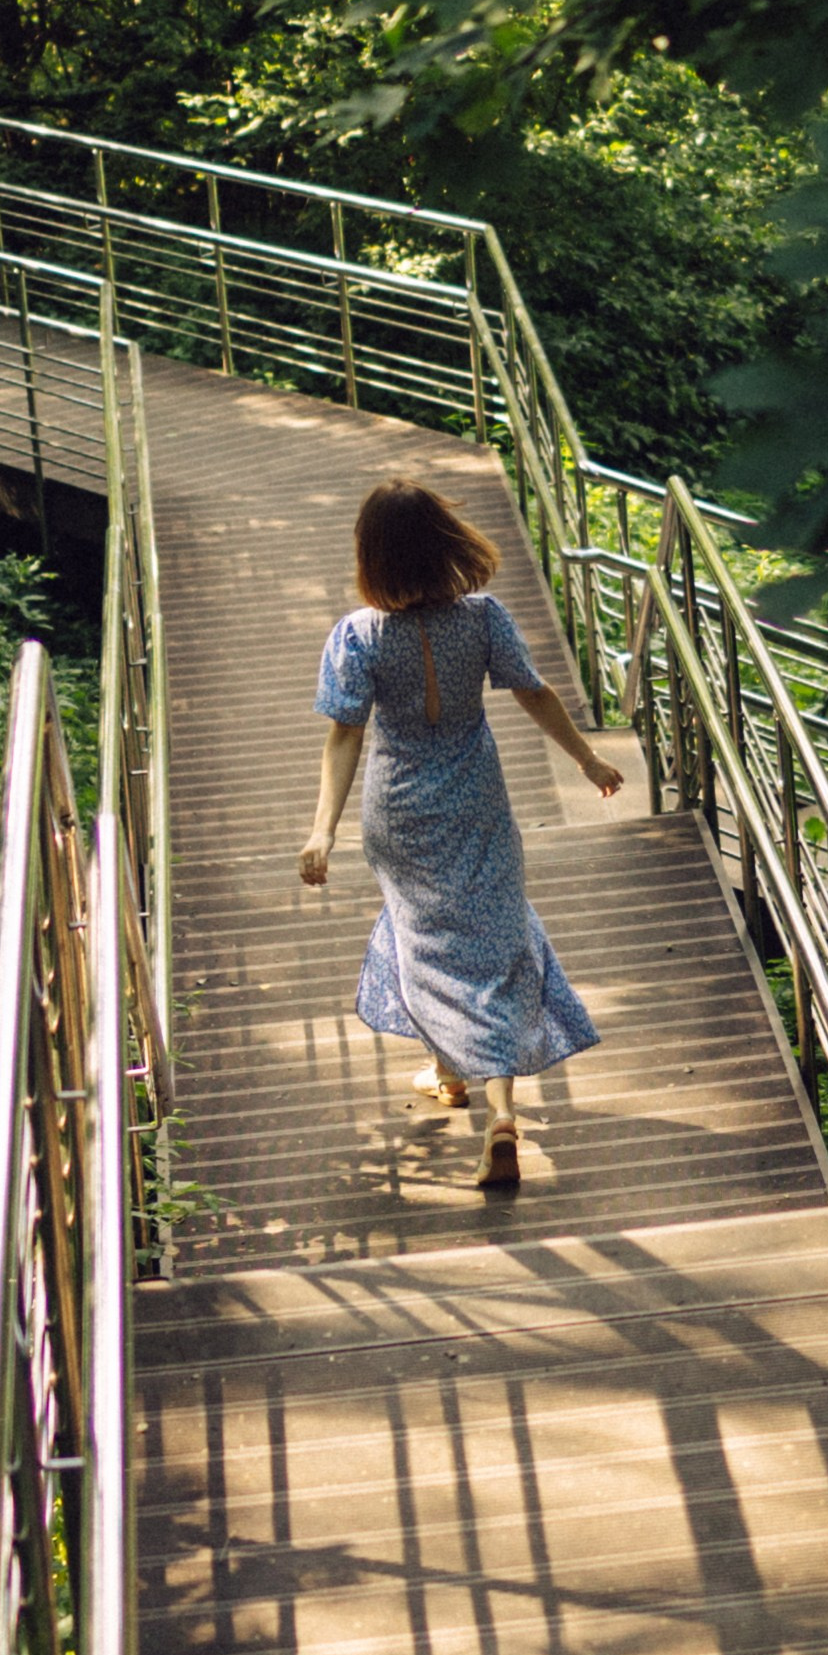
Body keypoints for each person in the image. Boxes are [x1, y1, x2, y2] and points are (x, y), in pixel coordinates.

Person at [298, 478, 623, 1185]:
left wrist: (322, 831)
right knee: (494, 939)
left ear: (372, 555)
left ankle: (449, 1071)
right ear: (443, 542)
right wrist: (588, 759)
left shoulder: (358, 635)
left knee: (424, 942)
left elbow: (344, 736)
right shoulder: (481, 618)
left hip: (400, 809)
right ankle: (499, 1111)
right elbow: (534, 691)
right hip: (476, 799)